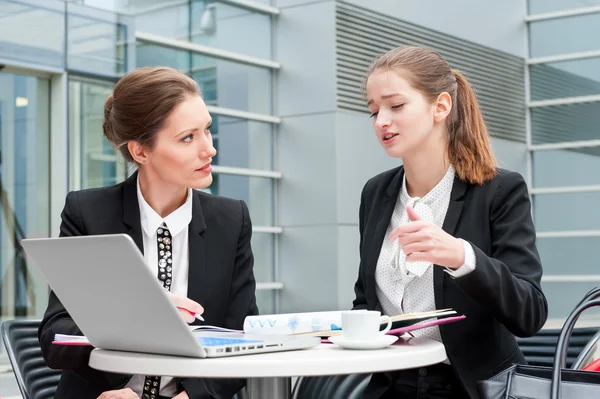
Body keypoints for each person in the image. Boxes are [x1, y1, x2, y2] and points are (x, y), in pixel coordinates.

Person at [38, 66, 259, 399]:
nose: (208, 149)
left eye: (207, 131)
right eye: (188, 137)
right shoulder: (89, 214)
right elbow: (56, 338)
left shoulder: (231, 220)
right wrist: (136, 319)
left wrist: (189, 397)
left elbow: (240, 337)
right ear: (140, 151)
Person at [352, 46, 548, 398]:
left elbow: (530, 312)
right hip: (391, 388)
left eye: (396, 106)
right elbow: (365, 300)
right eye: (373, 110)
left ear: (441, 107)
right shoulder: (376, 193)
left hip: (471, 387)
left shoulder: (498, 190)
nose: (381, 121)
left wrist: (461, 257)